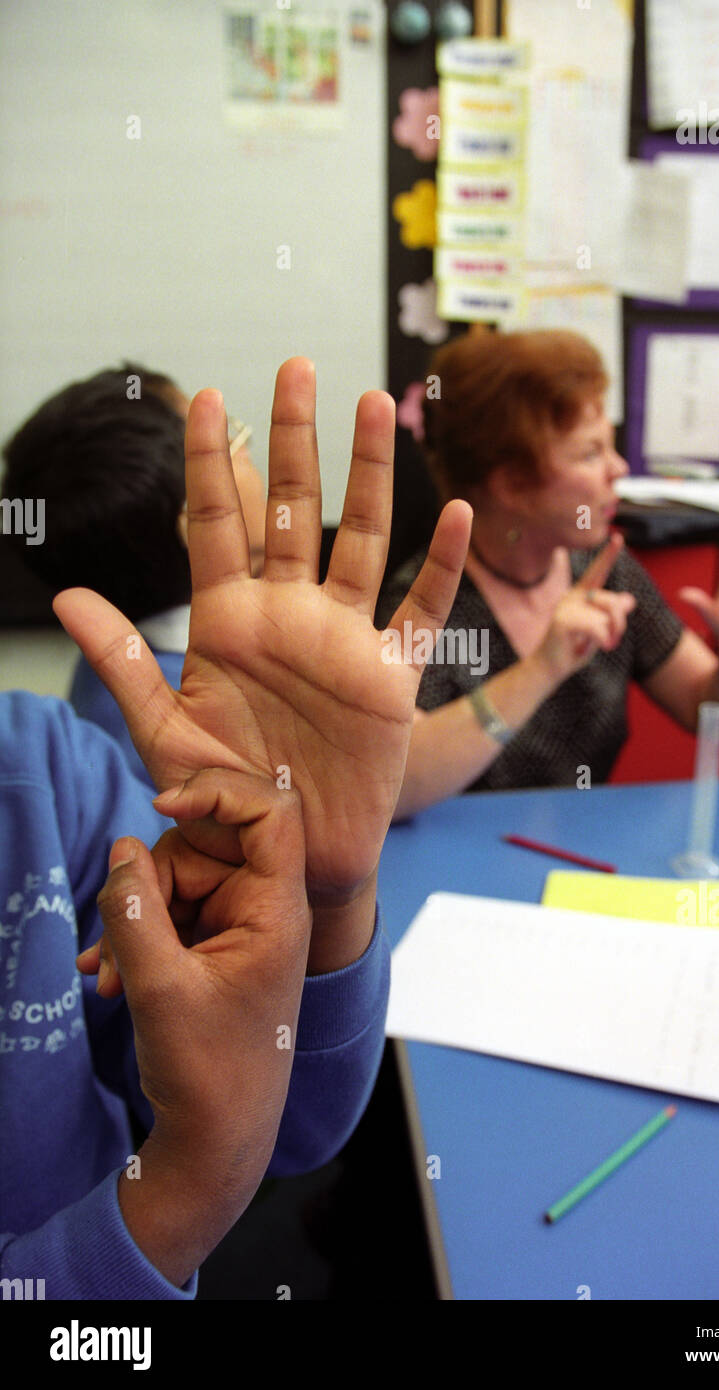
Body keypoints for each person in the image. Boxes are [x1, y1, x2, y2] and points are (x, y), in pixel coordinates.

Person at [0, 357, 472, 1298]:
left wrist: (330, 901)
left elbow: (280, 1121)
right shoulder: (116, 736)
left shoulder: (50, 765)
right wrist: (178, 1194)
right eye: (237, 451)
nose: (248, 465)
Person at [377, 330, 719, 819]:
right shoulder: (424, 604)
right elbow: (395, 787)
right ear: (510, 483)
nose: (618, 467)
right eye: (590, 453)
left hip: (582, 863)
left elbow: (707, 712)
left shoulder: (606, 571)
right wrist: (544, 667)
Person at [1, 363, 266, 785]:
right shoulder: (218, 707)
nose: (249, 448)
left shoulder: (107, 674)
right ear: (196, 524)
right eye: (231, 439)